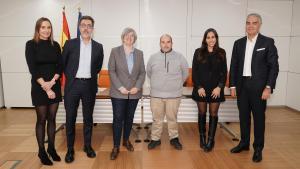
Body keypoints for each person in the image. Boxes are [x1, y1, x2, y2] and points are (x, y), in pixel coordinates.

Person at [229, 13, 279, 162]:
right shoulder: (238, 43)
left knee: (258, 119)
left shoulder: (268, 42)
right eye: (248, 23)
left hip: (259, 88)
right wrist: (232, 86)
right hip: (242, 86)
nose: (250, 25)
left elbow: (273, 67)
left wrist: (268, 87)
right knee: (243, 117)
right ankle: (244, 143)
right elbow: (234, 66)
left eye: (254, 23)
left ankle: (258, 148)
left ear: (259, 25)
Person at [62, 15, 104, 163]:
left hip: (89, 86)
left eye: (89, 25)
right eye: (83, 25)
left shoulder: (98, 47)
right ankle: (70, 149)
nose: (86, 28)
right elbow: (63, 64)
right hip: (72, 86)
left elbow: (98, 67)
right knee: (70, 118)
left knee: (88, 118)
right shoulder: (69, 44)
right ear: (79, 27)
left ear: (92, 29)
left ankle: (87, 146)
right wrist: (72, 78)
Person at [25, 17, 62, 165]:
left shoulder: (56, 45)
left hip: (55, 85)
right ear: (38, 29)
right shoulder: (31, 44)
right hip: (39, 87)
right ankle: (41, 151)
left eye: (49, 27)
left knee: (52, 119)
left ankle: (51, 149)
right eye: (43, 27)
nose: (46, 30)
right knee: (41, 119)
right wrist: (46, 87)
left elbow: (60, 66)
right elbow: (32, 68)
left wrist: (52, 83)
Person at [108, 27, 146, 160]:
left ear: (134, 39)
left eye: (132, 36)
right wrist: (120, 87)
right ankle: (116, 146)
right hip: (119, 93)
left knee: (129, 118)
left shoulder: (139, 53)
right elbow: (111, 71)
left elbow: (142, 72)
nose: (129, 38)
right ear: (123, 37)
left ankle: (126, 140)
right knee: (118, 119)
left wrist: (138, 86)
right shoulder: (115, 51)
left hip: (134, 93)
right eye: (127, 36)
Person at [147, 34, 189, 150]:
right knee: (157, 119)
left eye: (168, 42)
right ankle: (155, 139)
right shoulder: (153, 57)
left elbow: (185, 73)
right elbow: (149, 73)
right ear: (160, 43)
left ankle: (174, 138)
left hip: (174, 95)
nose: (166, 44)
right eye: (163, 42)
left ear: (172, 43)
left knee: (172, 118)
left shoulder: (180, 57)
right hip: (156, 95)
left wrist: (176, 85)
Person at [192, 28, 227, 152]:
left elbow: (224, 73)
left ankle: (211, 140)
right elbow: (195, 73)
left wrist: (219, 87)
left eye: (213, 37)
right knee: (202, 113)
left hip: (215, 89)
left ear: (216, 38)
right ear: (205, 39)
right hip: (201, 89)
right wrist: (199, 87)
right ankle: (202, 138)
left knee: (213, 114)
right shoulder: (198, 52)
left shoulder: (222, 52)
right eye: (208, 37)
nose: (211, 39)